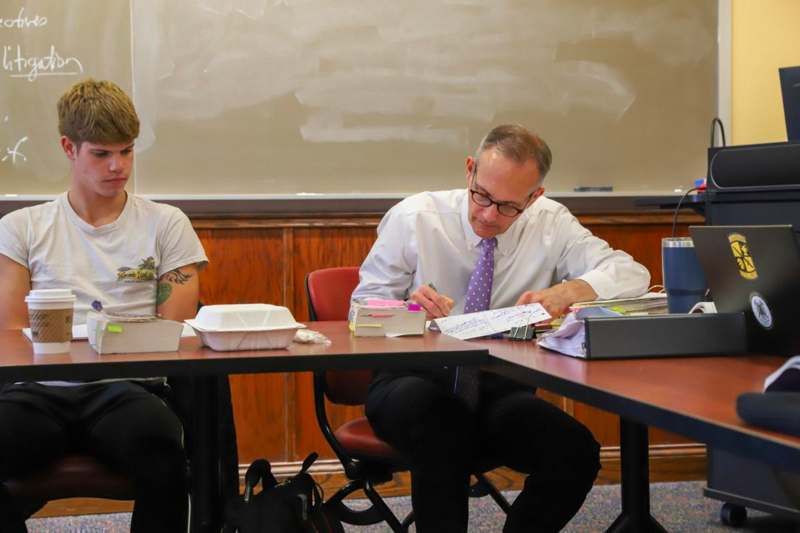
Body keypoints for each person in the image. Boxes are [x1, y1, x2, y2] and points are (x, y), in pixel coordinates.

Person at [352, 124, 650, 533]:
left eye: (509, 206)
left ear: (534, 197)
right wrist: (406, 309)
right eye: (483, 196)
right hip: (409, 381)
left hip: (498, 387)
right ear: (470, 170)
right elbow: (361, 309)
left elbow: (632, 274)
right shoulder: (415, 218)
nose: (489, 215)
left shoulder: (551, 223)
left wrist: (570, 290)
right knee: (442, 427)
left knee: (575, 451)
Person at [0, 79, 208, 532]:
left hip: (129, 388)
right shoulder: (22, 229)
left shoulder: (166, 223)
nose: (118, 167)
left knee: (163, 455)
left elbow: (173, 329)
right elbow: (12, 335)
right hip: (38, 390)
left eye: (127, 151)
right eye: (101, 153)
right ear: (69, 148)